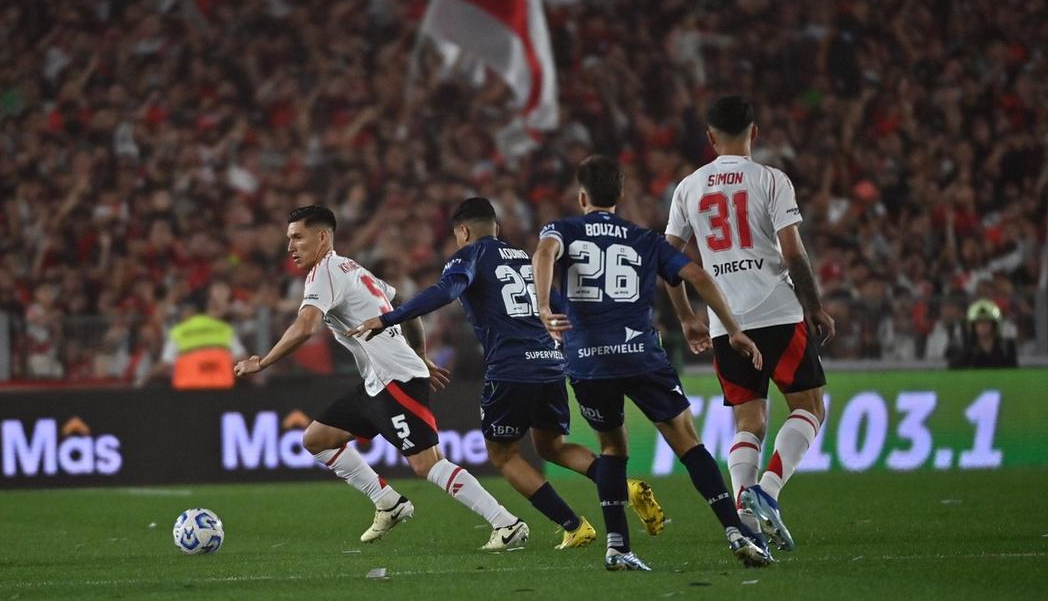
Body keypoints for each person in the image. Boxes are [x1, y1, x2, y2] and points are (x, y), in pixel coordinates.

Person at [346, 197, 665, 550]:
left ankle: (573, 525)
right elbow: (564, 308)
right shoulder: (527, 261)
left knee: (503, 454)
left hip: (511, 369)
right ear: (496, 228)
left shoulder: (470, 256)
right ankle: (627, 486)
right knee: (551, 446)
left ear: (463, 231)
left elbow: (446, 290)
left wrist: (389, 317)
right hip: (551, 364)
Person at [234, 205, 528, 550]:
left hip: (395, 378)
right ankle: (388, 502)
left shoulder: (325, 272)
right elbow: (401, 301)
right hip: (377, 380)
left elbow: (306, 326)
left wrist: (263, 362)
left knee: (426, 463)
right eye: (289, 238)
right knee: (316, 439)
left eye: (298, 237)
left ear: (323, 236)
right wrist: (418, 353)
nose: (290, 247)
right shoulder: (352, 268)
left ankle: (506, 523)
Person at [531, 156, 771, 571]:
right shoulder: (644, 238)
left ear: (582, 195)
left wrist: (542, 305)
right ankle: (736, 531)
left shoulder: (562, 230)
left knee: (611, 448)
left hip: (588, 360)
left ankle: (618, 546)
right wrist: (730, 328)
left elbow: (544, 253)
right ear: (621, 195)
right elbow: (696, 275)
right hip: (641, 354)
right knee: (687, 441)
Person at [663, 95, 836, 554]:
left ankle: (744, 517)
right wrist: (813, 305)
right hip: (778, 310)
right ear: (754, 133)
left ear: (710, 138)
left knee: (749, 420)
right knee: (810, 408)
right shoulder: (771, 180)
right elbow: (793, 251)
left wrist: (687, 317)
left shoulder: (689, 187)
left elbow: (669, 262)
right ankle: (768, 491)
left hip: (726, 320)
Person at [155, 281, 246, 390]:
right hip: (220, 390)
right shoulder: (224, 329)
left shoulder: (179, 331)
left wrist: (145, 379)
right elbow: (242, 359)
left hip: (188, 392)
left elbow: (166, 364)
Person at [959, 298, 1017, 368]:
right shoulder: (967, 350)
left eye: (986, 322)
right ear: (973, 327)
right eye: (979, 323)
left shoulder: (1006, 347)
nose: (983, 326)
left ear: (994, 325)